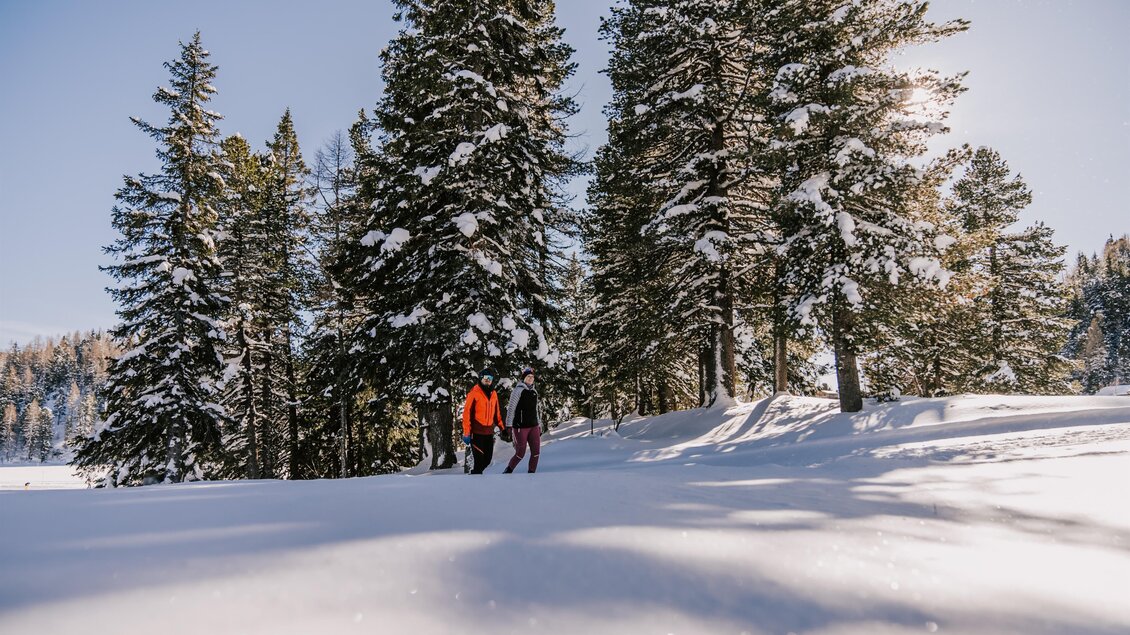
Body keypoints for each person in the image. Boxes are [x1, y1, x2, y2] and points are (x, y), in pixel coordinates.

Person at [462, 367, 506, 474]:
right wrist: (466, 433)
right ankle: (476, 484)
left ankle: (475, 477)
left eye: (490, 378)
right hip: (476, 433)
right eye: (486, 378)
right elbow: (466, 413)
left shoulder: (493, 393)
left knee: (487, 460)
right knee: (479, 461)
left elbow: (497, 413)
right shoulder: (474, 392)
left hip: (488, 432)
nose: (488, 380)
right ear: (481, 378)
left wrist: (502, 427)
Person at [503, 366, 541, 473]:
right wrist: (509, 425)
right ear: (523, 378)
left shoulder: (534, 392)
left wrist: (539, 425)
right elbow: (511, 408)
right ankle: (508, 470)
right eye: (528, 376)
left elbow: (535, 410)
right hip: (520, 427)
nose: (530, 378)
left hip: (533, 426)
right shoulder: (517, 391)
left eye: (532, 377)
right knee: (521, 453)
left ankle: (531, 473)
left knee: (536, 452)